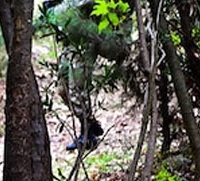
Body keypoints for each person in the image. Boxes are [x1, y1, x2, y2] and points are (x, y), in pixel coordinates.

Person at [42, 0, 132, 151]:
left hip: (88, 36)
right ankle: (90, 124)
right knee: (62, 89)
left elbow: (81, 5)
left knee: (77, 88)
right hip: (73, 36)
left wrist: (57, 10)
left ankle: (87, 133)